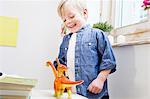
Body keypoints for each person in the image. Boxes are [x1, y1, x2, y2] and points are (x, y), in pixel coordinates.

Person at [54, 0, 116, 99]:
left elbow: (108, 60)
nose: (68, 22)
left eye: (71, 16)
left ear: (84, 13)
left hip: (94, 94)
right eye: (64, 20)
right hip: (70, 94)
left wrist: (100, 80)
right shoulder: (65, 40)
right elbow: (60, 63)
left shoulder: (97, 34)